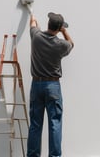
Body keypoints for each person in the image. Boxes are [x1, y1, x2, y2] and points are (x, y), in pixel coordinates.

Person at [27, 12, 74, 157]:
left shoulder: (36, 37)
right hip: (52, 86)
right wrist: (64, 31)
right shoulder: (61, 45)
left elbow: (33, 24)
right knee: (55, 124)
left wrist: (33, 17)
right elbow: (71, 44)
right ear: (59, 28)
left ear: (48, 24)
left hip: (36, 85)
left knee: (35, 124)